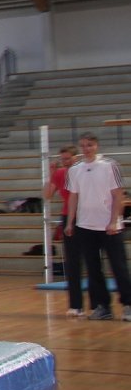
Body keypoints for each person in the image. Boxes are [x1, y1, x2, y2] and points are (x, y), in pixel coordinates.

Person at [65, 132, 131, 322]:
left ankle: (128, 304)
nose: (86, 149)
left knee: (119, 267)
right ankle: (103, 306)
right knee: (93, 269)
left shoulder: (110, 166)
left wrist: (113, 220)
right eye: (83, 146)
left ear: (97, 146)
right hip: (85, 225)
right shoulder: (75, 170)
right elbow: (73, 197)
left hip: (110, 227)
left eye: (90, 145)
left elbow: (118, 195)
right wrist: (70, 222)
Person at [43, 145, 85, 316]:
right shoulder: (60, 174)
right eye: (63, 159)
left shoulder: (84, 171)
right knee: (72, 262)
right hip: (69, 217)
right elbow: (47, 195)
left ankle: (100, 305)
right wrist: (50, 174)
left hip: (88, 216)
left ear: (76, 157)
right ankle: (75, 305)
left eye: (68, 158)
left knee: (93, 261)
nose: (65, 162)